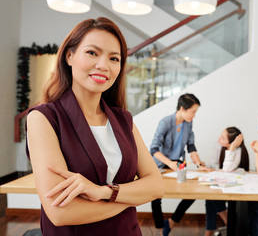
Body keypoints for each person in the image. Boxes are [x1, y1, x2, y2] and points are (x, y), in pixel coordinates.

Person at [26, 17, 164, 236]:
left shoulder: (123, 119)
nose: (103, 65)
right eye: (92, 52)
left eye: (114, 58)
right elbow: (60, 213)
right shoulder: (45, 118)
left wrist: (103, 192)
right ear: (69, 56)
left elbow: (156, 185)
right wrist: (129, 199)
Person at [150, 93, 211, 236]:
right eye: (193, 112)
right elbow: (154, 149)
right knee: (156, 196)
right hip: (162, 164)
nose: (194, 115)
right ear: (182, 109)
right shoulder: (165, 122)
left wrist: (198, 164)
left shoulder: (188, 124)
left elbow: (191, 146)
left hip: (178, 164)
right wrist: (169, 163)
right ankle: (161, 229)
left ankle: (171, 222)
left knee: (191, 193)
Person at [205, 127, 249, 236]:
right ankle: (211, 229)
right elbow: (216, 164)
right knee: (209, 197)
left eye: (223, 138)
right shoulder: (222, 147)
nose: (219, 138)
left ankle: (227, 222)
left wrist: (232, 147)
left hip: (236, 188)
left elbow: (227, 169)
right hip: (227, 182)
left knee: (211, 196)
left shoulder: (236, 151)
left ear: (232, 142)